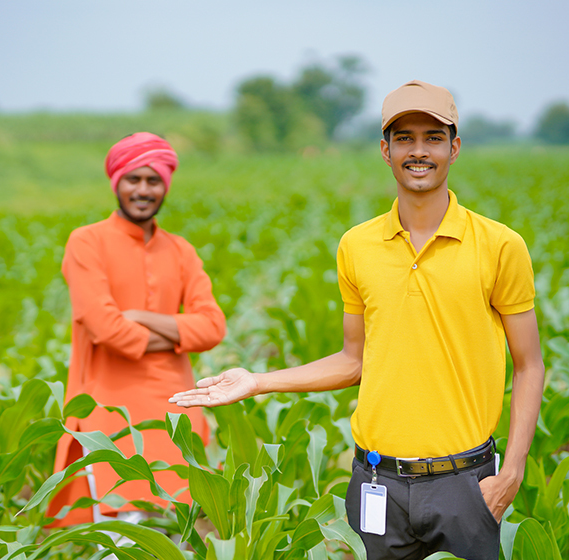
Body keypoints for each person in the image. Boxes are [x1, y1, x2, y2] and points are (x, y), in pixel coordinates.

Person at [170, 81, 544, 560]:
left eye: (433, 137)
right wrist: (258, 381)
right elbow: (354, 360)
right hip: (376, 485)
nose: (419, 150)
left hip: (463, 486)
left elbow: (529, 365)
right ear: (385, 150)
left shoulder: (499, 245)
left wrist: (510, 473)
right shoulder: (357, 246)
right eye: (404, 138)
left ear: (454, 148)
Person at [47, 132, 226, 528]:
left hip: (177, 419)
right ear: (116, 183)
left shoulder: (180, 251)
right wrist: (179, 334)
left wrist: (140, 317)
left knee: (177, 535)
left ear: (166, 186)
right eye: (134, 179)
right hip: (109, 418)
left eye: (154, 180)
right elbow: (106, 327)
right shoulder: (86, 242)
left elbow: (213, 327)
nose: (143, 190)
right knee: (123, 536)